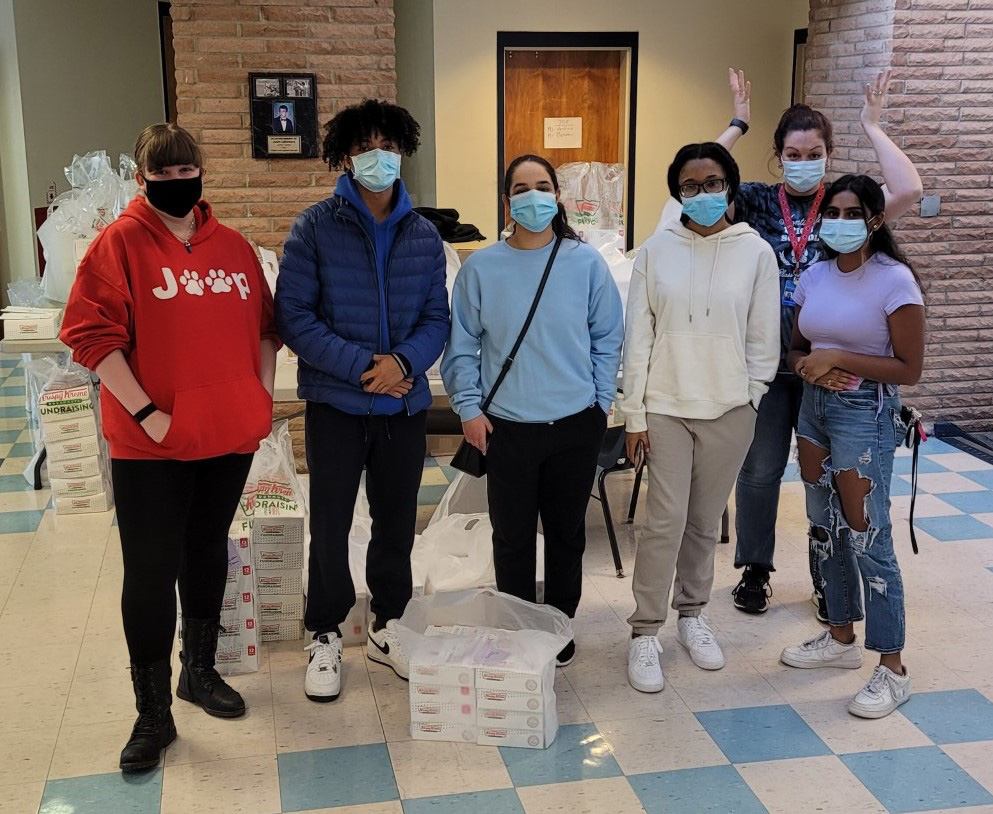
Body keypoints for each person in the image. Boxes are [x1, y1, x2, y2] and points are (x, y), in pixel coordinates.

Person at [60, 123, 279, 772]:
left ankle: (199, 670)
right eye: (166, 175)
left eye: (189, 173)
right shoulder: (118, 244)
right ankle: (151, 713)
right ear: (143, 178)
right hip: (148, 445)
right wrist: (148, 412)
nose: (180, 184)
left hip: (226, 436)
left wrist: (259, 398)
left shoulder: (234, 248)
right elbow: (90, 336)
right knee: (151, 572)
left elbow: (268, 328)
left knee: (206, 549)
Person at [715, 69, 923, 617]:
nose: (802, 160)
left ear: (828, 154)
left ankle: (826, 576)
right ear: (778, 156)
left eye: (813, 151)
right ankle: (755, 570)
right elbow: (704, 182)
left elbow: (909, 191)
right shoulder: (758, 201)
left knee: (823, 476)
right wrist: (737, 123)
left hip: (832, 365)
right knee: (759, 470)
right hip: (768, 359)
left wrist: (873, 127)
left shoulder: (844, 207)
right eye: (792, 152)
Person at [276, 99, 449, 702]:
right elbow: (293, 317)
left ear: (402, 150)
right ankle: (324, 630)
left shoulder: (424, 234)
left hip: (402, 405)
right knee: (328, 523)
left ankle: (389, 624)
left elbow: (436, 316)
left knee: (397, 522)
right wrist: (363, 369)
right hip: (337, 406)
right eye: (366, 147)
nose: (379, 157)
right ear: (345, 156)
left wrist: (401, 364)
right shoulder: (314, 227)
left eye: (389, 145)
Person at [441, 154, 623, 666]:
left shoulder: (585, 263)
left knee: (566, 534)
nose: (533, 197)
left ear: (557, 197)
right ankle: (519, 623)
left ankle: (560, 622)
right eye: (521, 189)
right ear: (507, 202)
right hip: (507, 427)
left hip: (574, 423)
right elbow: (462, 347)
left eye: (543, 186)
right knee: (513, 536)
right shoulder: (482, 268)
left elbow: (609, 336)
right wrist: (469, 409)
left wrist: (601, 400)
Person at [622, 143, 779, 693]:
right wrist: (634, 413)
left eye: (713, 182)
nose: (704, 193)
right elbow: (638, 336)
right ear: (677, 192)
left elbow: (764, 336)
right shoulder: (656, 251)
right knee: (662, 521)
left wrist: (753, 392)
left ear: (731, 185)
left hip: (729, 407)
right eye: (691, 185)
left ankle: (692, 615)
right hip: (666, 405)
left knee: (705, 522)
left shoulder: (756, 252)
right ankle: (645, 631)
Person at [780, 175, 924, 718]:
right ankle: (839, 636)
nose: (839, 223)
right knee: (823, 524)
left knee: (868, 534)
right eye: (832, 213)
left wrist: (837, 358)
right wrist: (806, 364)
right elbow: (796, 347)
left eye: (852, 213)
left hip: (865, 414)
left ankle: (892, 667)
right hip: (813, 409)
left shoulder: (894, 281)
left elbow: (909, 368)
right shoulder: (814, 275)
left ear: (876, 220)